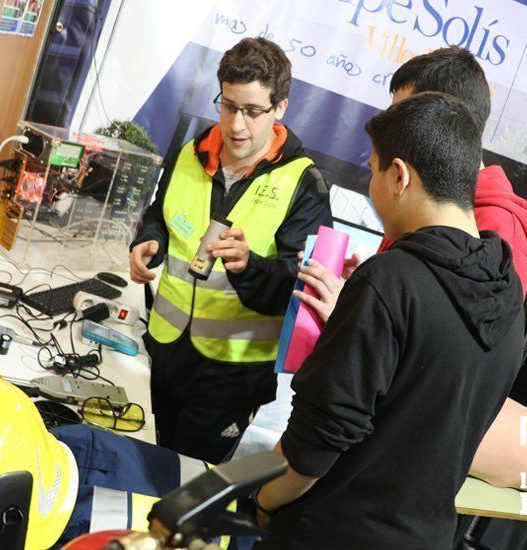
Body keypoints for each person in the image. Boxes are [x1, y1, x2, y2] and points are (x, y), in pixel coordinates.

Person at [252, 92, 525, 548]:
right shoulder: (507, 289)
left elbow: (315, 447)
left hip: (333, 533)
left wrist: (262, 502)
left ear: (398, 176)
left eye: (373, 170)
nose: (372, 186)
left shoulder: (392, 280)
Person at [128, 37, 332, 464]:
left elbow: (304, 290)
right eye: (228, 106)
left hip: (231, 377)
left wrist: (248, 267)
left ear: (280, 109)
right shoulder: (191, 152)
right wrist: (149, 241)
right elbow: (160, 215)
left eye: (253, 111)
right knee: (153, 465)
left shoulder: (304, 184)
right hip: (166, 353)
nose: (237, 125)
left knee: (188, 488)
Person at [296, 45, 527, 323]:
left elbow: (449, 343)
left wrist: (352, 315)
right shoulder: (423, 192)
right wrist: (365, 290)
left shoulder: (499, 227)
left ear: (443, 116)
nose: (390, 128)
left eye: (404, 113)